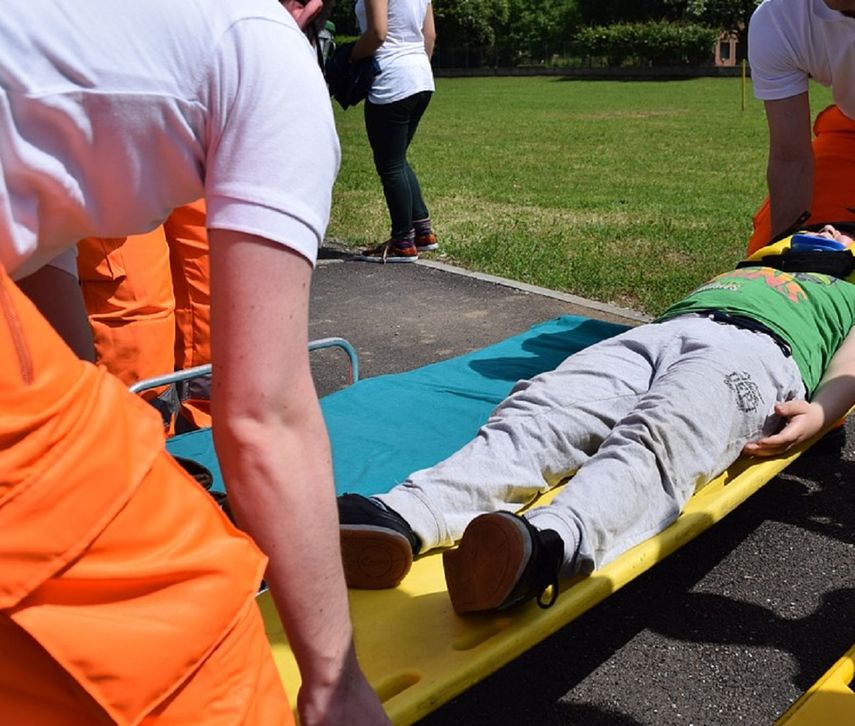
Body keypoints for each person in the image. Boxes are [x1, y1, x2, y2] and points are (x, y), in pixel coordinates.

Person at [0, 2, 388, 725]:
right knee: (199, 656)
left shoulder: (79, 34)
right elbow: (263, 413)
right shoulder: (265, 54)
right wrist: (334, 682)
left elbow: (42, 297)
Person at [338, 226, 855, 615]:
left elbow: (850, 366)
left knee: (663, 435)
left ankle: (545, 546)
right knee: (543, 411)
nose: (830, 230)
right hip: (662, 333)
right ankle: (404, 515)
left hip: (760, 354)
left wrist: (823, 414)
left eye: (843, 231)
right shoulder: (758, 263)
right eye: (823, 226)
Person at [78, 200, 215, 432]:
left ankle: (208, 432)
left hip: (192, 169)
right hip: (104, 176)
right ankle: (145, 448)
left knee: (213, 280)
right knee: (138, 314)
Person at [748, 0, 855, 244]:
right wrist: (786, 257)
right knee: (772, 248)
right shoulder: (780, 17)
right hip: (849, 131)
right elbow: (790, 158)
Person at [352, 0, 438, 263]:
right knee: (397, 158)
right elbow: (430, 35)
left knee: (389, 163)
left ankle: (403, 241)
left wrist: (348, 57)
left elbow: (377, 33)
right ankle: (422, 233)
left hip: (391, 79)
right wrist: (415, 67)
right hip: (421, 76)